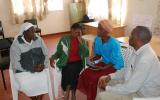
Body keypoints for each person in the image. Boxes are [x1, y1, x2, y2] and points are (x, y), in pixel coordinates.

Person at [97, 26, 160, 100]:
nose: (129, 37)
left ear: (137, 39)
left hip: (142, 95)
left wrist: (107, 88)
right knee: (102, 79)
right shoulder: (135, 49)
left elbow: (131, 87)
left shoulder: (146, 59)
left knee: (102, 96)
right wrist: (110, 76)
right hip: (131, 83)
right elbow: (125, 69)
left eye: (131, 35)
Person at [77, 20, 124, 100]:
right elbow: (98, 55)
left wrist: (103, 68)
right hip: (105, 63)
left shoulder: (114, 43)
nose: (97, 30)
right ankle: (90, 94)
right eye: (98, 28)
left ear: (106, 31)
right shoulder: (97, 39)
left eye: (100, 29)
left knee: (94, 78)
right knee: (85, 73)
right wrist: (90, 60)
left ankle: (94, 97)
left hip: (115, 66)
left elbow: (114, 61)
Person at [50, 23, 89, 100]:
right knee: (69, 71)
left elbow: (86, 53)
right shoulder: (64, 39)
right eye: (76, 32)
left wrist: (81, 44)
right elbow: (59, 52)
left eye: (79, 33)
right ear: (71, 30)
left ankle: (67, 92)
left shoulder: (82, 40)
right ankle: (72, 94)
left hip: (78, 62)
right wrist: (52, 58)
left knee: (70, 70)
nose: (77, 34)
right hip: (66, 62)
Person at [10, 22, 49, 100]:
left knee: (45, 81)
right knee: (25, 84)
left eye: (34, 31)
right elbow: (16, 64)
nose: (34, 34)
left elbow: (46, 53)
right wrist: (33, 68)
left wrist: (42, 65)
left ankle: (38, 99)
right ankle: (35, 99)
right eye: (31, 32)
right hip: (22, 71)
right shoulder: (16, 44)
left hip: (39, 67)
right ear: (24, 33)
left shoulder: (38, 39)